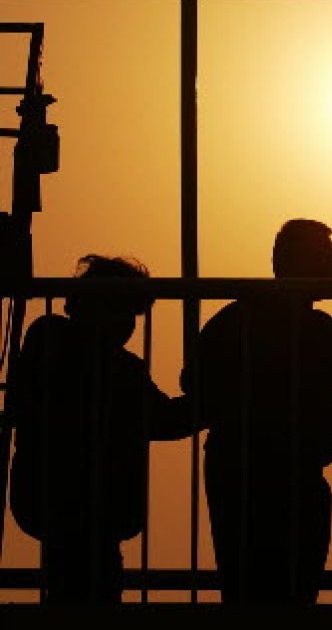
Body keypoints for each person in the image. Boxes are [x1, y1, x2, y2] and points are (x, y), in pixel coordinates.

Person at [179, 219, 332, 606]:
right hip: (290, 476)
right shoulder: (310, 330)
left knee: (242, 586)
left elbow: (192, 382)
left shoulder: (234, 318)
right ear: (297, 264)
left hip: (233, 471)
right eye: (325, 258)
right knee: (294, 589)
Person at [7, 254, 195, 607]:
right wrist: (220, 397)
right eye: (124, 312)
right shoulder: (101, 361)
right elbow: (165, 419)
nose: (128, 326)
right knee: (90, 591)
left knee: (72, 582)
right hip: (86, 505)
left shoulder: (49, 341)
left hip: (56, 503)